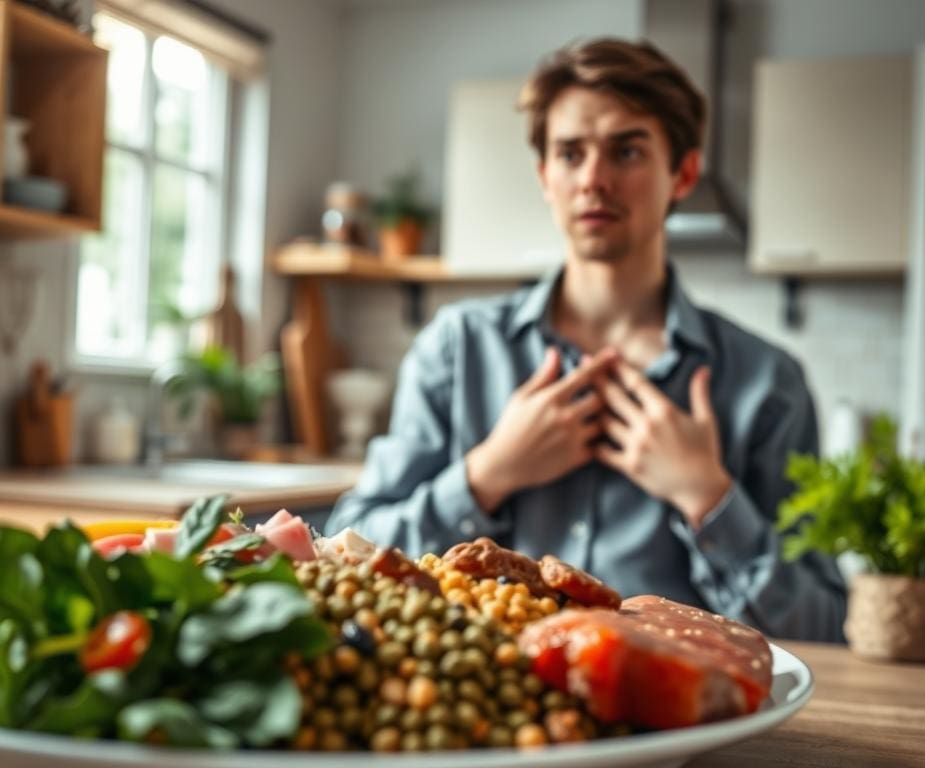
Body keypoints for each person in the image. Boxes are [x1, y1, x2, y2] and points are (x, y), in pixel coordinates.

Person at [326, 38, 847, 642]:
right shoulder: (455, 350)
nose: (595, 180)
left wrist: (709, 498)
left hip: (684, 724)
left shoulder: (768, 384)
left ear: (683, 173)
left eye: (626, 151)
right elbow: (345, 551)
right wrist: (486, 475)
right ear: (545, 175)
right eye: (571, 153)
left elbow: (825, 628)